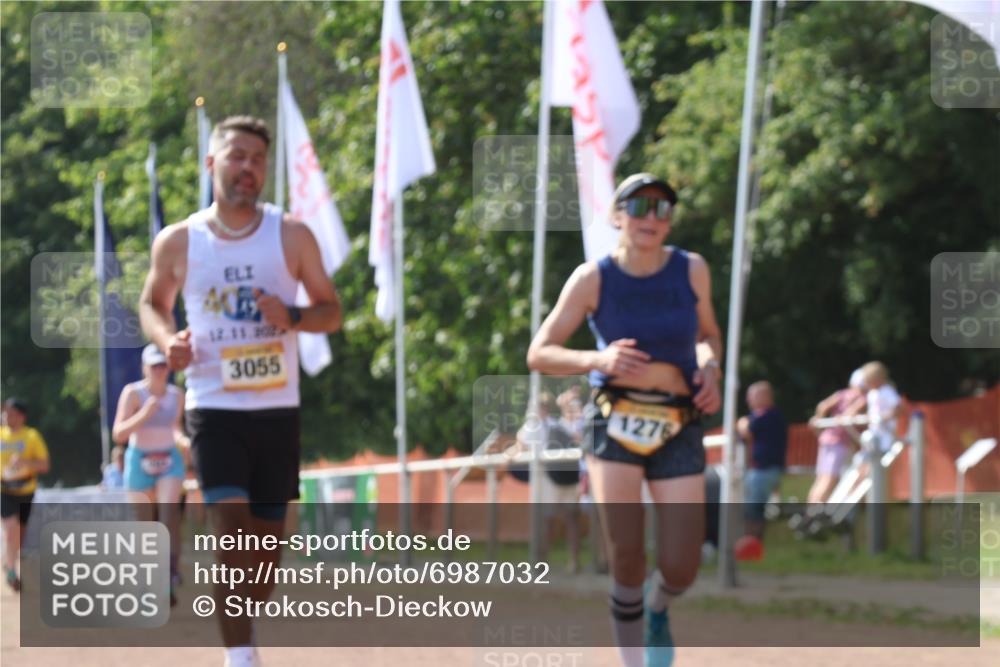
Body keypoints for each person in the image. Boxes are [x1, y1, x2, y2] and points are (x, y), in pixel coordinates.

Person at [139, 115, 342, 667]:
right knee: (230, 532)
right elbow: (151, 304)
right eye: (236, 155)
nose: (247, 167)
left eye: (257, 159)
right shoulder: (179, 240)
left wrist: (294, 315)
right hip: (214, 406)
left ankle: (241, 628)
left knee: (265, 554)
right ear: (212, 163)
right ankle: (241, 657)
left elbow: (332, 311)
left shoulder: (292, 235)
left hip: (277, 410)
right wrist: (169, 339)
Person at [527, 173, 723, 667]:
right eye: (639, 207)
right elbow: (540, 353)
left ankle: (659, 608)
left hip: (678, 418)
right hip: (614, 420)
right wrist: (599, 360)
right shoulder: (593, 278)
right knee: (628, 554)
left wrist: (709, 366)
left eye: (662, 209)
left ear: (670, 221)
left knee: (682, 564)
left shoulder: (691, 269)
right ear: (618, 216)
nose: (650, 219)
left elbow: (708, 336)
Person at [111, 343, 189, 604]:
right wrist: (144, 414)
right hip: (139, 460)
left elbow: (175, 427)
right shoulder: (133, 394)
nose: (159, 370)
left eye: (163, 365)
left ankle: (169, 574)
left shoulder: (177, 395)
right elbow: (119, 433)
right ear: (145, 367)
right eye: (154, 365)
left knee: (168, 515)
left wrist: (183, 440)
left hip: (168, 459)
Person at [517, 392, 582, 573]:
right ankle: (573, 561)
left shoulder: (532, 426)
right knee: (571, 519)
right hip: (568, 477)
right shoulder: (559, 425)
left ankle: (540, 563)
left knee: (546, 521)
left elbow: (521, 446)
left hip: (547, 478)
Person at [1, 397, 50, 592]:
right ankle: (12, 572)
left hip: (25, 492)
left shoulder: (31, 436)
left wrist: (25, 463)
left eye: (12, 414)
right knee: (10, 529)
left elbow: (45, 465)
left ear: (22, 417)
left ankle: (8, 561)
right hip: (3, 490)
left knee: (19, 536)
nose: (6, 417)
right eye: (5, 413)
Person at [735, 381, 787, 560]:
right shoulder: (772, 416)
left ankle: (751, 548)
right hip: (764, 470)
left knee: (753, 511)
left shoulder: (767, 416)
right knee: (754, 509)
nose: (749, 400)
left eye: (752, 396)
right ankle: (752, 547)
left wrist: (742, 423)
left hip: (763, 470)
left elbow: (746, 432)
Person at [806, 369, 867, 506]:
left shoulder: (842, 394)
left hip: (827, 438)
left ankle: (811, 509)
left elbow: (822, 406)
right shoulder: (862, 398)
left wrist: (820, 421)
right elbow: (850, 414)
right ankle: (814, 513)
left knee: (821, 478)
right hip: (840, 441)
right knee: (829, 478)